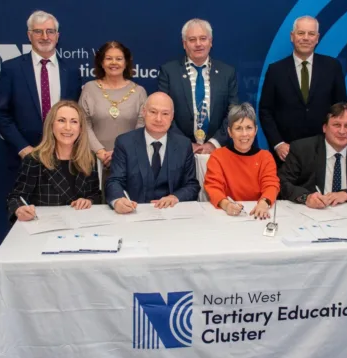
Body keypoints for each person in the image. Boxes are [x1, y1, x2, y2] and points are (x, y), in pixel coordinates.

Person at [0, 10, 81, 176]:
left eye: (50, 31)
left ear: (57, 35)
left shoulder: (71, 70)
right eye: (38, 31)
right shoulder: (11, 69)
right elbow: (1, 114)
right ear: (29, 35)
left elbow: (76, 113)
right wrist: (23, 149)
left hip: (64, 157)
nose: (45, 37)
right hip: (24, 158)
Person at [259, 15, 347, 165]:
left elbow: (341, 108)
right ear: (292, 36)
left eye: (311, 34)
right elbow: (265, 111)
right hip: (286, 153)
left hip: (324, 151)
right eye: (301, 33)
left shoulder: (332, 67)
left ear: (317, 38)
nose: (306, 38)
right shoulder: (275, 70)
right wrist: (278, 144)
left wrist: (333, 141)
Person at [105, 92, 200, 213]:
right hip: (134, 213)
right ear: (144, 112)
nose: (158, 119)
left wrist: (175, 197)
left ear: (172, 116)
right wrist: (118, 200)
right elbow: (114, 181)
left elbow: (191, 185)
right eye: (153, 112)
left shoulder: (183, 144)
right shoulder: (124, 142)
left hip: (171, 214)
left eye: (165, 114)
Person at [7, 100, 100, 222]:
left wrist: (89, 201)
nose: (68, 127)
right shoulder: (34, 159)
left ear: (81, 128)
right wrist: (20, 209)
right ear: (51, 125)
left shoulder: (89, 158)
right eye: (61, 120)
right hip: (45, 227)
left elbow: (96, 194)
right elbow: (16, 197)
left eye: (74, 122)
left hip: (81, 227)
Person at [158, 18, 238, 154]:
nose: (198, 44)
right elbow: (163, 113)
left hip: (218, 152)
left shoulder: (227, 72)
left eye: (203, 38)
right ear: (184, 44)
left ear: (210, 42)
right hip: (179, 151)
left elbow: (233, 113)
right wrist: (186, 144)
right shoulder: (169, 72)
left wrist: (214, 143)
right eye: (192, 40)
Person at [278, 102, 347, 208]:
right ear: (325, 128)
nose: (342, 131)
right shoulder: (303, 149)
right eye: (336, 125)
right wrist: (306, 198)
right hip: (311, 212)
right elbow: (282, 183)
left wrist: (346, 195)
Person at [204, 103, 280, 219]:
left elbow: (271, 185)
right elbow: (213, 187)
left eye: (249, 128)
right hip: (227, 216)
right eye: (238, 128)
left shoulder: (266, 157)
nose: (244, 134)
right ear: (230, 132)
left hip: (258, 214)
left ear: (255, 130)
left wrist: (264, 203)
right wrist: (227, 205)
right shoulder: (217, 156)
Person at [80, 41, 147, 169]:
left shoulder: (139, 91)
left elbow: (141, 127)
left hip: (130, 160)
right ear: (101, 62)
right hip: (94, 160)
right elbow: (84, 124)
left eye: (119, 59)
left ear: (126, 62)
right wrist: (100, 152)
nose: (114, 63)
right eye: (109, 58)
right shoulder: (89, 88)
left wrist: (120, 154)